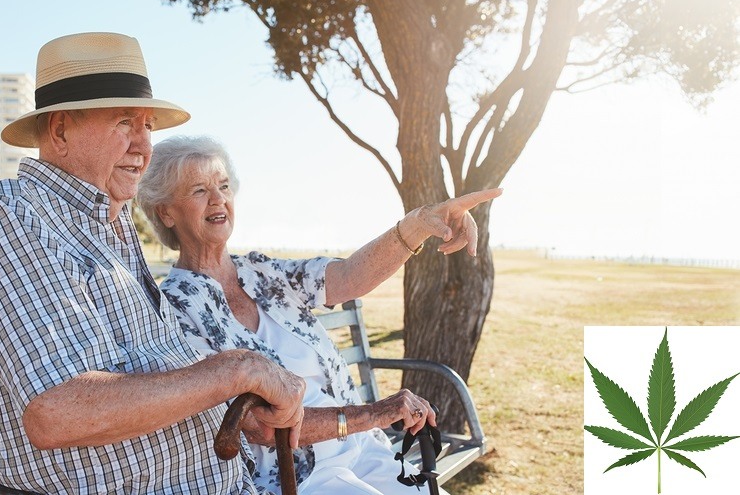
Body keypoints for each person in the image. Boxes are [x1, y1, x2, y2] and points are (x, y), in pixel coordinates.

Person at [0, 32, 306, 494]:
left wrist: (231, 398)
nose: (144, 145)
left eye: (148, 126)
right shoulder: (12, 213)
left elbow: (150, 370)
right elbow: (57, 411)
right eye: (124, 123)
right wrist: (235, 370)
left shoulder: (110, 226)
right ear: (59, 130)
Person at [138, 135, 502, 494]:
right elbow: (258, 426)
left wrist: (421, 222)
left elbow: (347, 277)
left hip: (363, 448)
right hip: (298, 474)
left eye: (223, 186)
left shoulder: (261, 271)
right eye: (199, 190)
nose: (218, 199)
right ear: (166, 211)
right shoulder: (176, 309)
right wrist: (373, 414)